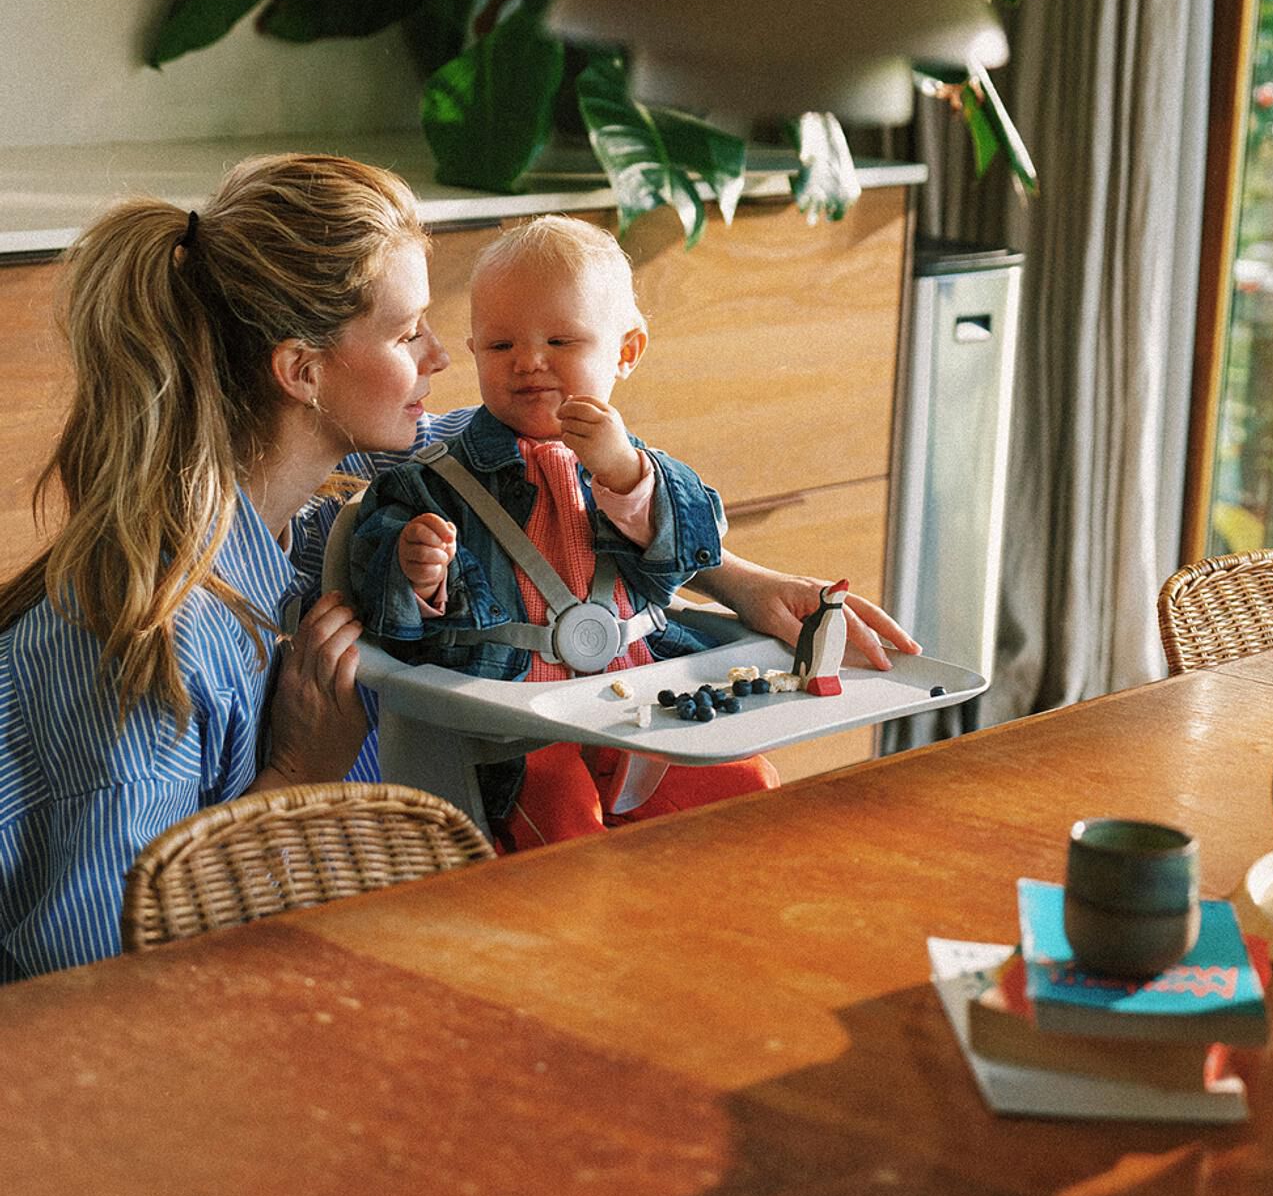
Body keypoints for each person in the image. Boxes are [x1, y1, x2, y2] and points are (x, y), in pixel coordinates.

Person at [0, 152, 916, 980]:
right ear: (301, 372)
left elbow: (534, 474)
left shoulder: (325, 517)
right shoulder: (134, 639)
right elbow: (103, 976)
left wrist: (735, 579)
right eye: (407, 338)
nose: (446, 357)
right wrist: (296, 778)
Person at [346, 218, 771, 845]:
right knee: (567, 831)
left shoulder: (637, 468)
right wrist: (417, 574)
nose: (527, 364)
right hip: (518, 731)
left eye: (561, 341)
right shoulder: (430, 485)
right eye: (499, 348)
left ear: (625, 352)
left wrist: (626, 473)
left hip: (647, 704)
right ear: (475, 354)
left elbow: (691, 548)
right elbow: (388, 616)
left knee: (744, 790)